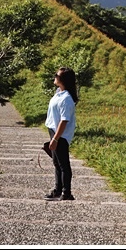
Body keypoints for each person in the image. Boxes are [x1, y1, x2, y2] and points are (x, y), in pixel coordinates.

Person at [44, 66, 78, 201]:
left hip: (61, 135)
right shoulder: (59, 93)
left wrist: (56, 139)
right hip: (54, 131)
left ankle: (66, 192)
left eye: (56, 75)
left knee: (63, 164)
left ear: (63, 79)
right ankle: (58, 190)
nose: (54, 77)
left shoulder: (66, 99)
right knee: (57, 163)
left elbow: (64, 121)